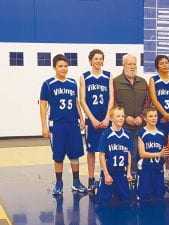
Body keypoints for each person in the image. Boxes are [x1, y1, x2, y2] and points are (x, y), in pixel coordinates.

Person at [39, 54, 87, 196]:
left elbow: (76, 102)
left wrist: (81, 118)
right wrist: (44, 126)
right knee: (58, 155)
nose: (63, 68)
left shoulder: (72, 83)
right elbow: (43, 106)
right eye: (60, 66)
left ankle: (76, 182)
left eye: (66, 66)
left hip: (73, 124)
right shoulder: (48, 84)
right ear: (54, 67)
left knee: (75, 154)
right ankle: (59, 183)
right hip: (57, 125)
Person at [79, 49, 114, 194]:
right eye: (96, 58)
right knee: (92, 150)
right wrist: (92, 119)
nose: (98, 61)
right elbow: (82, 100)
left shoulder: (108, 76)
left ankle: (108, 176)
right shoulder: (84, 77)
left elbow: (111, 98)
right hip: (91, 120)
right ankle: (91, 178)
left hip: (106, 118)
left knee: (108, 150)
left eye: (101, 58)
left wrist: (107, 117)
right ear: (90, 60)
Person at [148, 55, 169, 190]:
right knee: (159, 147)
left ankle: (168, 174)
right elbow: (154, 99)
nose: (164, 65)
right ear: (157, 66)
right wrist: (165, 114)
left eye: (166, 63)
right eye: (161, 63)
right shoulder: (154, 80)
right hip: (160, 119)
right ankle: (159, 173)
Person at [114, 54, 151, 173]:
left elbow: (148, 101)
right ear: (123, 65)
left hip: (140, 126)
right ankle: (127, 177)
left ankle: (138, 178)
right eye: (129, 64)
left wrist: (142, 117)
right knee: (126, 153)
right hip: (123, 126)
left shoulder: (143, 82)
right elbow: (113, 103)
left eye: (134, 64)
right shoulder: (115, 81)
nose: (132, 67)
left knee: (139, 153)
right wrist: (124, 117)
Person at [96, 106, 133, 202]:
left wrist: (129, 172)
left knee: (125, 199)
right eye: (118, 116)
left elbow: (129, 153)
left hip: (122, 172)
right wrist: (106, 174)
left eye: (122, 116)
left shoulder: (127, 134)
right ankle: (97, 186)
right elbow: (102, 155)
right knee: (104, 200)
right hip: (110, 172)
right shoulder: (106, 134)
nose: (121, 118)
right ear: (111, 118)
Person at [136, 107, 169, 201]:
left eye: (155, 116)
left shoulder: (162, 133)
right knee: (143, 198)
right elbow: (142, 154)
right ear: (144, 118)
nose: (154, 118)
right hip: (145, 170)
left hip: (158, 170)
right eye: (150, 116)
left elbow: (166, 152)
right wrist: (160, 153)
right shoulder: (141, 133)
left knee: (159, 197)